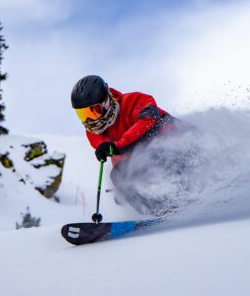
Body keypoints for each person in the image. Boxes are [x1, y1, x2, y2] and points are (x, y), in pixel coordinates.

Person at [70, 75, 179, 215]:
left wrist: (117, 146)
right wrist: (125, 187)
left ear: (106, 102)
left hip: (180, 145)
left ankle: (175, 202)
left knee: (155, 153)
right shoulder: (95, 134)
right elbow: (121, 158)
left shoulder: (134, 101)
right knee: (118, 174)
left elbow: (148, 121)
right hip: (153, 160)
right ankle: (160, 213)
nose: (90, 120)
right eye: (83, 115)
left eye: (93, 111)